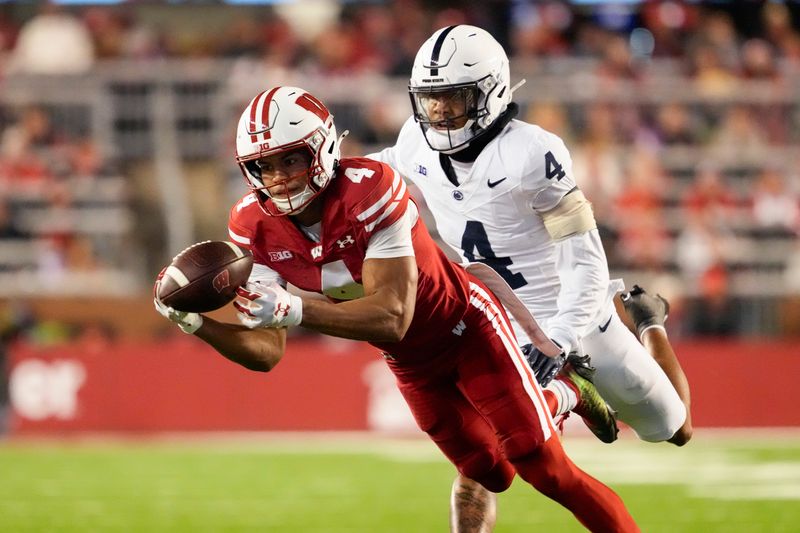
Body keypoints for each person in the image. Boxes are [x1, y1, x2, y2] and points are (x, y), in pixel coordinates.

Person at [154, 86, 639, 532]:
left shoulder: (369, 188)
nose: (278, 179)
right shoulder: (252, 225)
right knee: (490, 473)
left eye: (290, 160)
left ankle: (561, 399)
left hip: (466, 328)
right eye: (264, 167)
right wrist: (197, 324)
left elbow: (393, 314)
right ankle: (560, 394)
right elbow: (266, 353)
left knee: (544, 467)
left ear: (322, 149)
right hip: (408, 360)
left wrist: (294, 307)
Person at [369, 25, 692, 531]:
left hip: (574, 315)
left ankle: (648, 323)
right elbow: (376, 174)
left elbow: (586, 264)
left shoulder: (533, 153)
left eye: (455, 100)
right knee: (484, 461)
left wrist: (559, 339)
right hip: (494, 317)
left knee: (675, 429)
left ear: (492, 91)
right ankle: (566, 393)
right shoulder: (415, 143)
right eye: (432, 101)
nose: (440, 114)